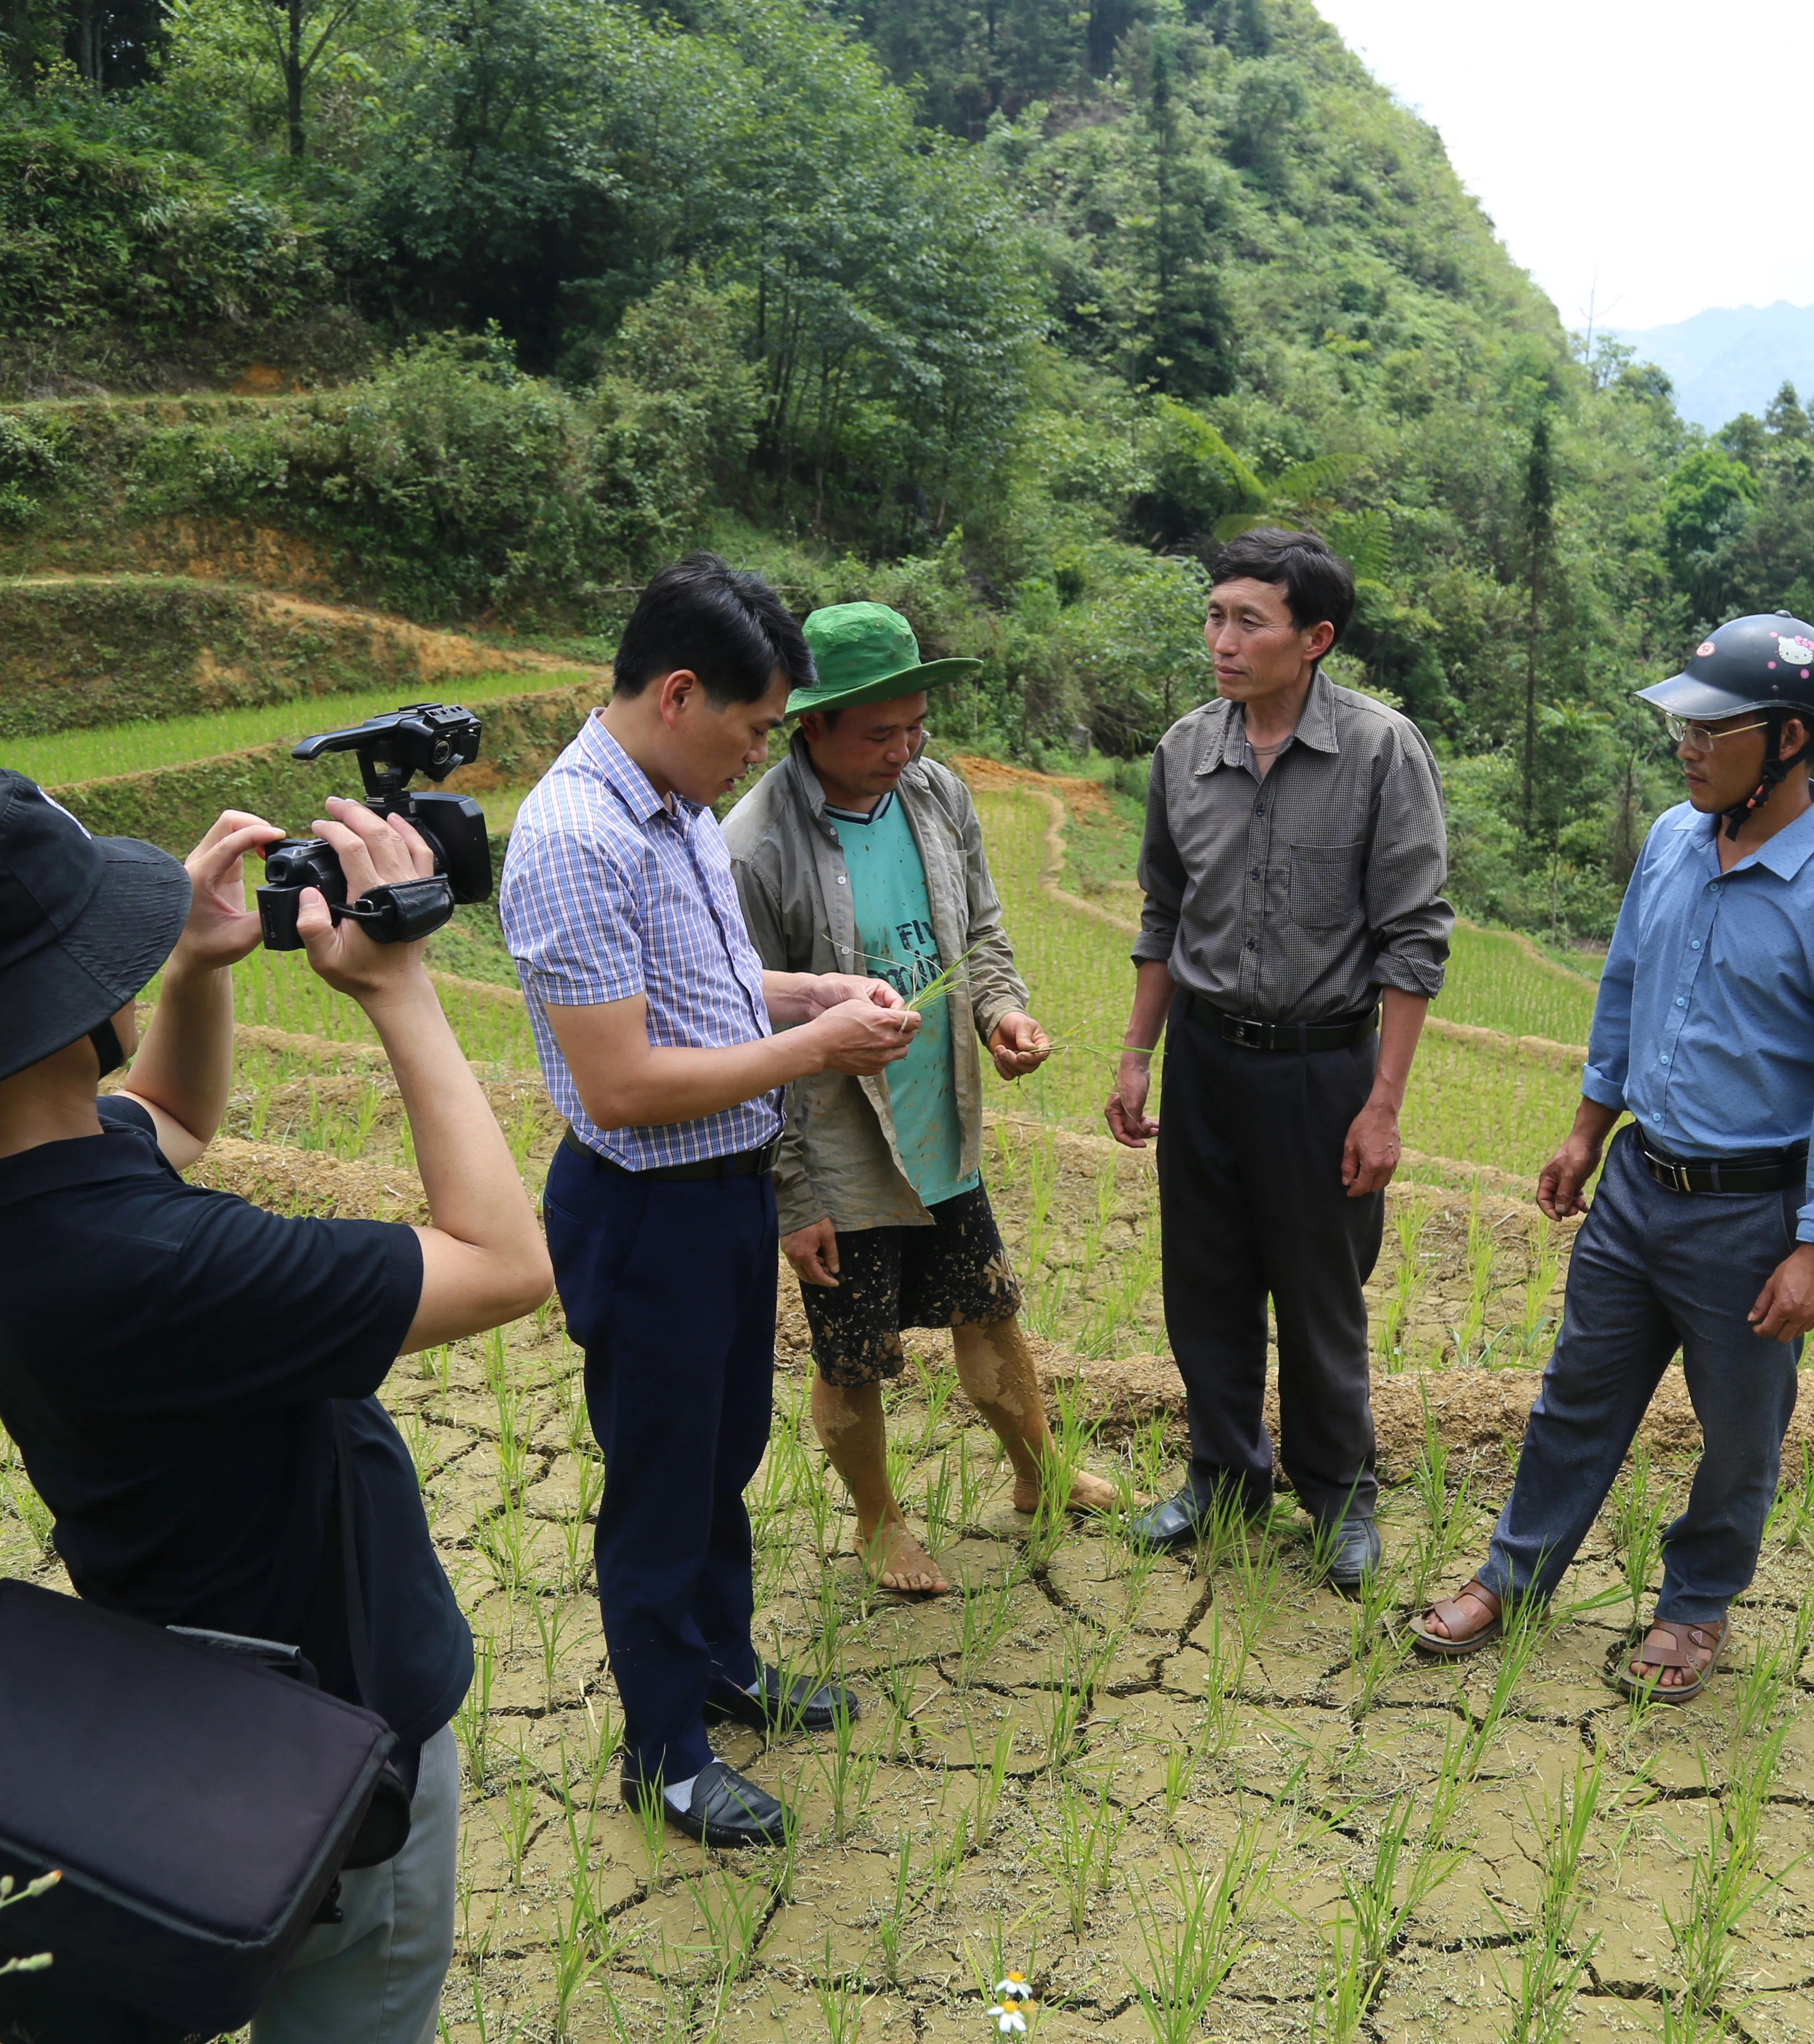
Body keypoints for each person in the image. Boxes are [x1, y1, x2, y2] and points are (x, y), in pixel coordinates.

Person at [0, 770, 555, 2042]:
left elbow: (162, 1116)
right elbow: (504, 1264)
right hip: (327, 1727)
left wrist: (196, 973)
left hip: (175, 1671)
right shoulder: (159, 1267)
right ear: (66, 1001)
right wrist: (400, 988)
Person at [1408, 614, 1814, 1701]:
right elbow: (1626, 988)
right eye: (1680, 722)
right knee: (1575, 1398)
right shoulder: (1674, 842)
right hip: (1640, 1184)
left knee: (1738, 1436)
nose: (1683, 743)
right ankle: (1512, 1576)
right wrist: (1588, 1131)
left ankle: (1694, 1610)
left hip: (1751, 1218)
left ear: (1785, 741)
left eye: (1709, 726)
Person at [498, 554, 921, 1850]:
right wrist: (817, 1055)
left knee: (723, 1462)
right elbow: (621, 1087)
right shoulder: (575, 839)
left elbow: (717, 985)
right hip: (649, 1214)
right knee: (662, 1491)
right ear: (679, 695)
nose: (755, 755)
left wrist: (814, 998)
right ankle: (666, 1755)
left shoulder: (671, 806)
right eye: (748, 729)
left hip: (728, 1193)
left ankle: (722, 1666)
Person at [725, 602, 1124, 1595]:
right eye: (879, 734)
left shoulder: (936, 795)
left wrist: (1001, 1015)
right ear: (811, 724)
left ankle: (1040, 1476)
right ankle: (877, 1523)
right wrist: (794, 1195)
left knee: (989, 1309)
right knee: (855, 1354)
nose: (904, 750)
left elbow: (980, 933)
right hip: (838, 1143)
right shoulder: (755, 848)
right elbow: (742, 1029)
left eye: (916, 727)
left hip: (940, 1118)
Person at [1105, 527, 1453, 1591]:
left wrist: (1382, 1106)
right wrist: (1135, 1054)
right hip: (1206, 1061)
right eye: (1215, 616)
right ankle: (1222, 1475)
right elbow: (1167, 910)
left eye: (1247, 621)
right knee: (1203, 1285)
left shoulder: (1381, 751)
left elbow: (1414, 936)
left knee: (1318, 1295)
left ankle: (1340, 1492)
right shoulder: (1184, 751)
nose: (1221, 639)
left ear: (1315, 639)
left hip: (1321, 1071)